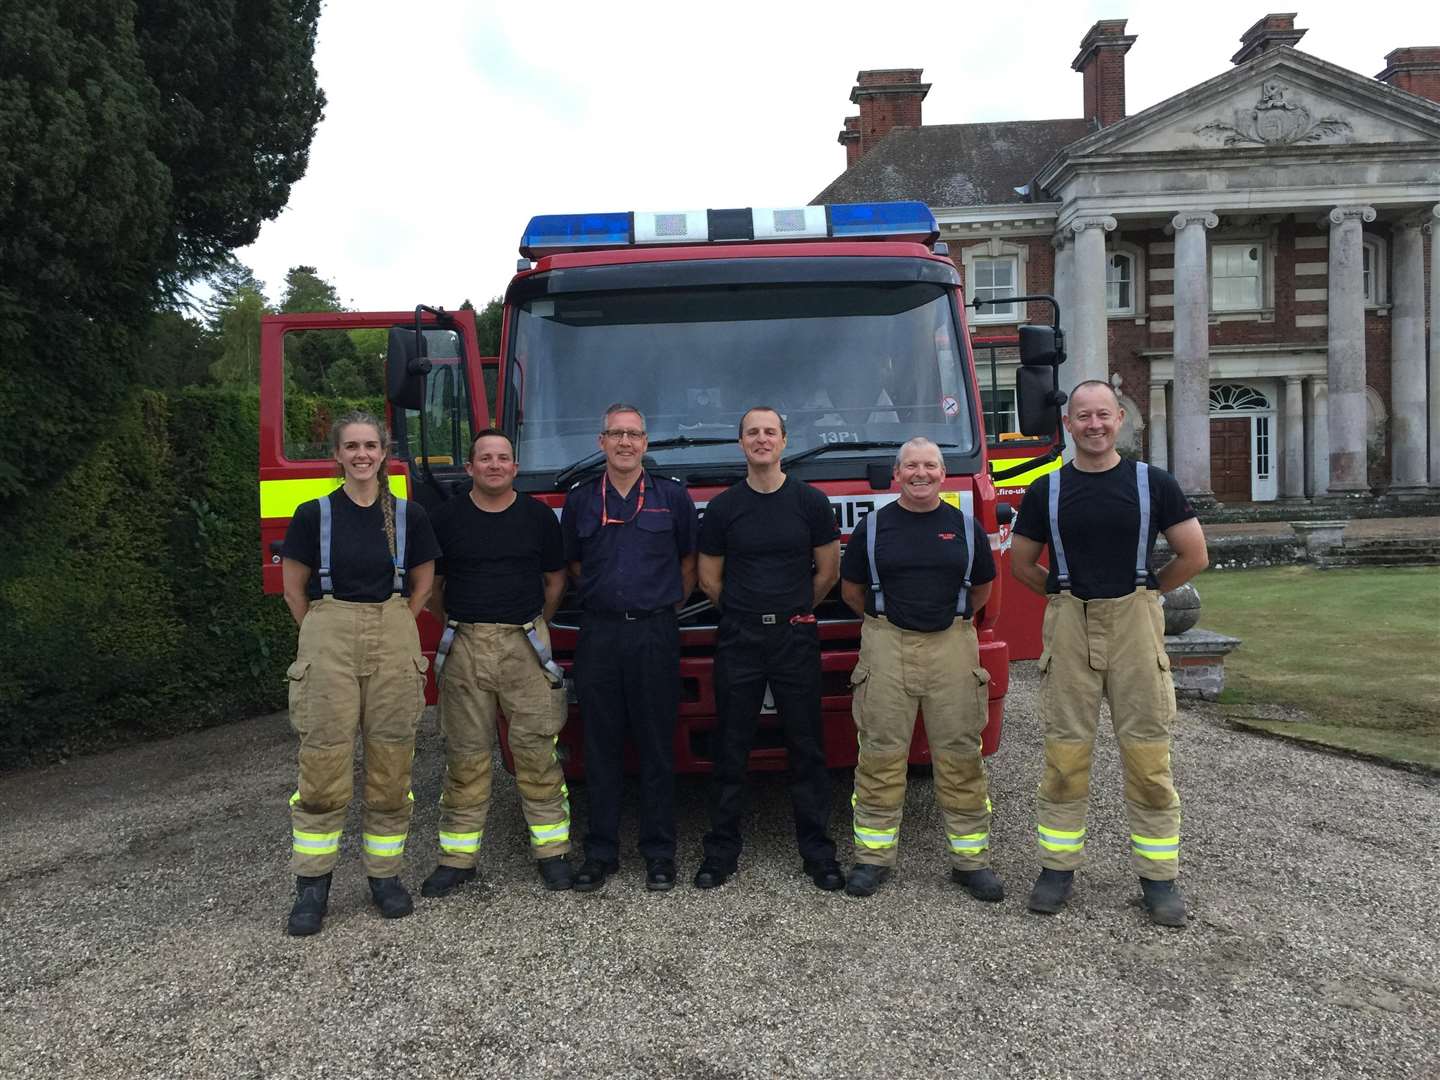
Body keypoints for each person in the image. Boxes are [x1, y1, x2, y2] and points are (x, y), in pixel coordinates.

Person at [1010, 380, 1208, 927]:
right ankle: (1057, 868)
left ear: (1119, 419)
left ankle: (1159, 878)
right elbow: (1022, 565)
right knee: (1066, 756)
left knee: (1148, 755)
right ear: (1067, 425)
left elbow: (1193, 554)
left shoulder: (1154, 484)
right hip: (1071, 618)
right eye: (1082, 416)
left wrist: (1148, 594)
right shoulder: (1045, 490)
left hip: (1135, 620)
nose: (1093, 425)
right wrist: (1061, 594)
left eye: (1103, 415)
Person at [279, 410, 441, 936]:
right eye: (352, 446)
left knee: (392, 760)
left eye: (371, 445)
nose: (362, 455)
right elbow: (293, 589)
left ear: (384, 452)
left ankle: (385, 876)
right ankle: (312, 886)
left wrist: (395, 625)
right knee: (323, 761)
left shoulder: (407, 515)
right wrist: (324, 632)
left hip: (393, 629)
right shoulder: (313, 514)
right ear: (338, 454)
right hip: (330, 631)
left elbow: (423, 583)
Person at [838, 437, 1001, 900]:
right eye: (911, 466)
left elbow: (984, 587)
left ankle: (971, 863)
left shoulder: (965, 528)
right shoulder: (872, 529)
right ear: (897, 475)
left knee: (960, 755)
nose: (920, 473)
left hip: (952, 643)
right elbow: (852, 592)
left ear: (942, 472)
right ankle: (872, 858)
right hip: (887, 643)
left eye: (930, 465)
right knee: (880, 754)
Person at [693, 405, 844, 892]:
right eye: (752, 432)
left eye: (770, 432)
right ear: (741, 443)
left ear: (784, 441)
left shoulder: (810, 503)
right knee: (731, 745)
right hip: (739, 637)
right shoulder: (723, 508)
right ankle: (721, 851)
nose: (762, 439)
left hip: (794, 636)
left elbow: (827, 572)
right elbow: (708, 578)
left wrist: (792, 609)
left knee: (806, 745)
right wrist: (747, 611)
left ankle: (818, 851)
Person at [420, 429, 574, 897]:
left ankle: (553, 854)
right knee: (465, 756)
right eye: (484, 458)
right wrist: (467, 625)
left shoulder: (538, 517)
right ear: (469, 468)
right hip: (465, 643)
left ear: (514, 468)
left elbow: (554, 581)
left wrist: (529, 626)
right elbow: (432, 590)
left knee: (536, 752)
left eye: (502, 458)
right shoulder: (445, 519)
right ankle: (457, 859)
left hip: (525, 643)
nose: (493, 465)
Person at [560, 403, 698, 892]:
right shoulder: (579, 501)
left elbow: (688, 565)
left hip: (655, 633)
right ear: (601, 442)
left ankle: (659, 854)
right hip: (598, 634)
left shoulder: (673, 497)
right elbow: (573, 566)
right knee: (600, 747)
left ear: (645, 443)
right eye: (615, 434)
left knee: (658, 746)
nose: (624, 443)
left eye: (633, 435)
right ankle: (601, 853)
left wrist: (653, 604)